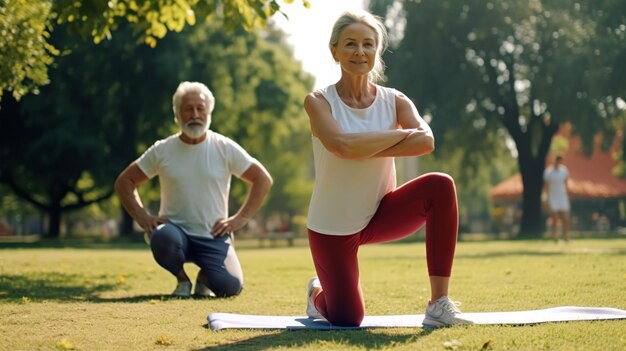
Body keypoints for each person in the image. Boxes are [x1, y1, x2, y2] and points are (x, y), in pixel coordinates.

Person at [302, 10, 470, 327]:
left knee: (441, 185)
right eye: (350, 44)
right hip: (332, 226)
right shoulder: (318, 101)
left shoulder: (395, 100)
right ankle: (316, 294)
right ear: (334, 50)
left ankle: (438, 303)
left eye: (368, 44)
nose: (360, 51)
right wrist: (397, 136)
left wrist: (361, 143)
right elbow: (341, 146)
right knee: (348, 318)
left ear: (377, 52)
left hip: (381, 212)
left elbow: (426, 141)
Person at [115, 81, 273, 298]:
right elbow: (125, 181)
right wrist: (143, 217)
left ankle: (204, 278)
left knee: (230, 287)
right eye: (188, 109)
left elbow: (262, 179)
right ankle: (182, 281)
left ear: (209, 112)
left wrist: (241, 218)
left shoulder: (224, 147)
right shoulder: (163, 150)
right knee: (161, 237)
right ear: (177, 115)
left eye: (200, 108)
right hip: (175, 233)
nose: (195, 114)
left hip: (214, 235)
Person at [543, 154, 570, 242]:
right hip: (552, 196)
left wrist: (567, 194)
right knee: (554, 218)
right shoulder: (548, 172)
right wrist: (546, 197)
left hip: (562, 196)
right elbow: (546, 186)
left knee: (565, 217)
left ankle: (565, 236)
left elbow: (566, 184)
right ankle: (555, 237)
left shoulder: (564, 170)